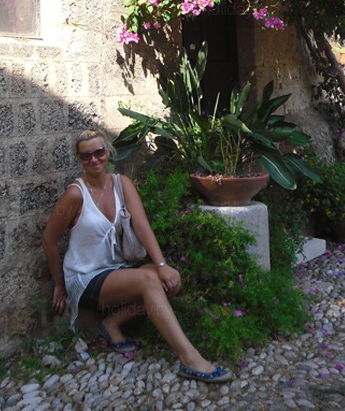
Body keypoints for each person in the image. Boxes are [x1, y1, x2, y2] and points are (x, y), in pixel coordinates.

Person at [42, 129, 232, 383]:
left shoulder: (122, 184)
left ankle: (111, 324)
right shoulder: (75, 195)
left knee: (168, 280)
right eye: (86, 156)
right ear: (79, 159)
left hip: (115, 270)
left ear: (108, 152)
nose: (94, 159)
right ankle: (190, 359)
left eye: (99, 152)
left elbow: (141, 225)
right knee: (149, 280)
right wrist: (58, 284)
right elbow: (49, 239)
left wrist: (162, 265)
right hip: (84, 277)